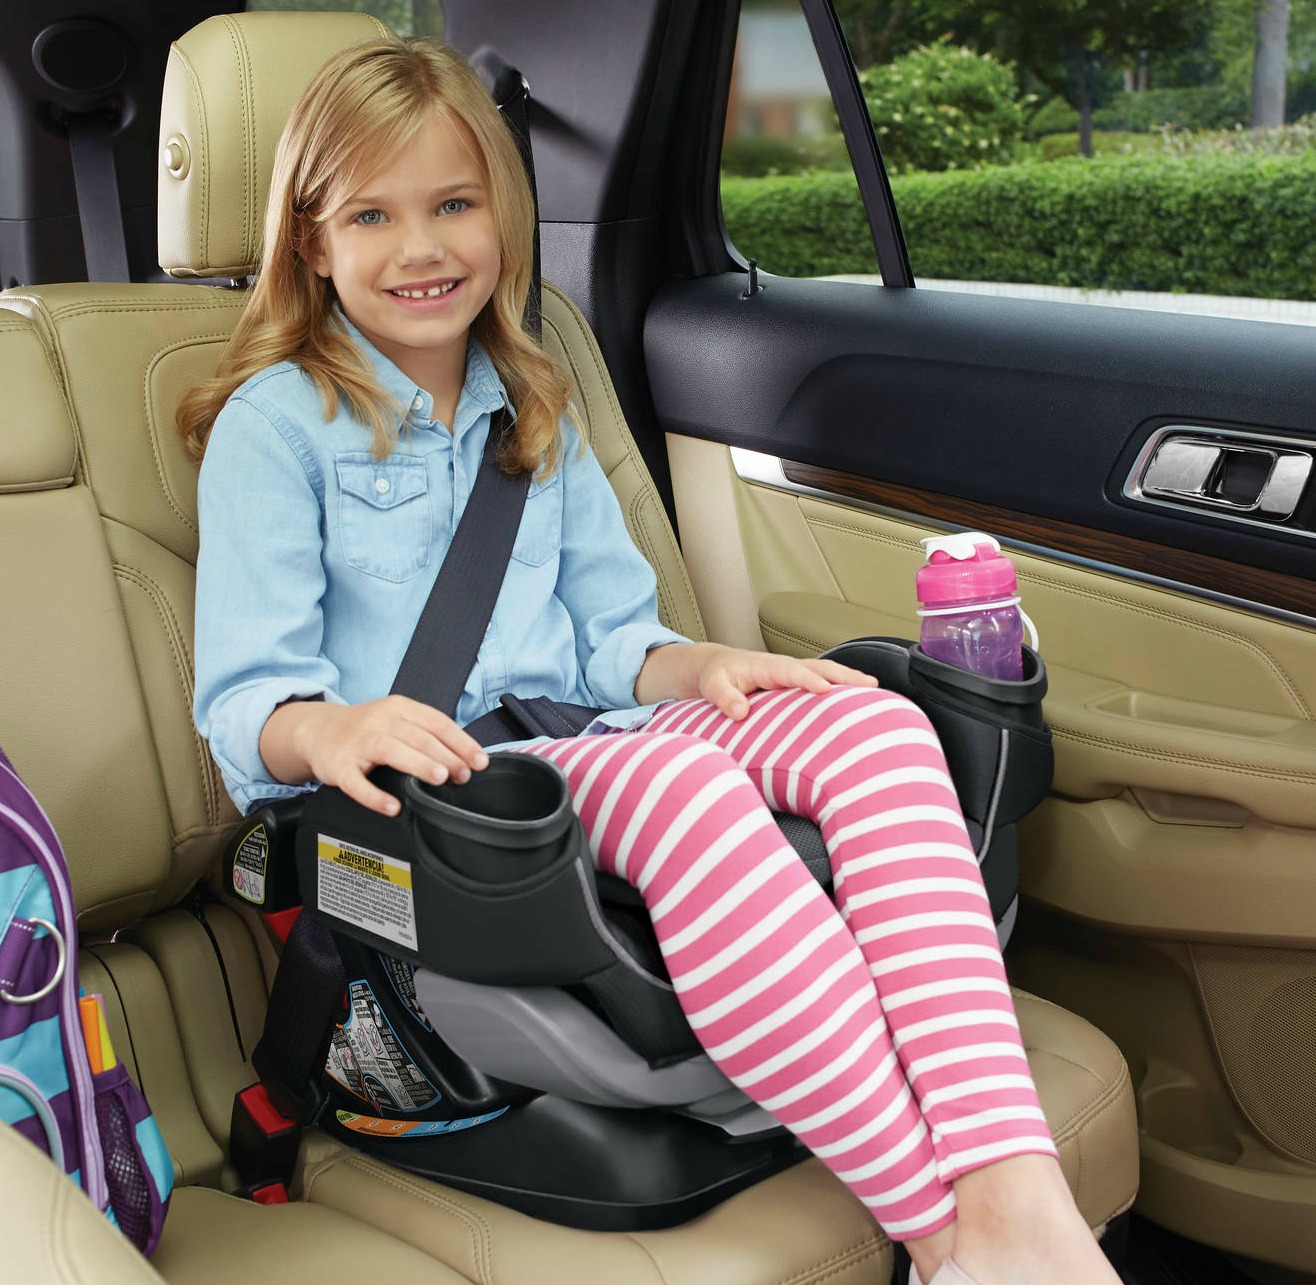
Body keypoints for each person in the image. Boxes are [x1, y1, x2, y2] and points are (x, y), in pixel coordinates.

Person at [185, 35, 1121, 1285]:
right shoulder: (276, 425)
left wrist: (707, 670)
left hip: (595, 735)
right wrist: (333, 728)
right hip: (439, 791)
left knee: (877, 727)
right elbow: (246, 700)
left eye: (455, 204)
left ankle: (1019, 1194)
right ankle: (944, 1230)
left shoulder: (535, 399)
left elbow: (620, 641)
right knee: (689, 793)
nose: (422, 248)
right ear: (311, 242)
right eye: (372, 215)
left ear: (502, 214)